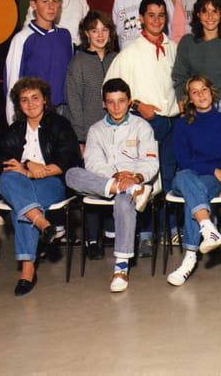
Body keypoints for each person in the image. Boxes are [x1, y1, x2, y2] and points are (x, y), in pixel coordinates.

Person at [65, 78, 159, 293]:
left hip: (134, 181)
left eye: (121, 101)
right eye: (111, 102)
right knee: (71, 174)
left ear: (129, 102)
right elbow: (93, 163)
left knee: (124, 201)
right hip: (105, 183)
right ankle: (126, 189)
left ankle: (121, 268)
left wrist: (136, 178)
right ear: (103, 104)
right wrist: (115, 177)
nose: (116, 107)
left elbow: (150, 162)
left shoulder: (142, 127)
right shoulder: (96, 130)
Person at [105, 0, 180, 256]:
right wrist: (137, 105)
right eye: (151, 15)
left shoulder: (173, 48)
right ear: (141, 19)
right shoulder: (129, 54)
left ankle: (171, 230)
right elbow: (110, 89)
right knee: (146, 178)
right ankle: (146, 234)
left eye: (161, 15)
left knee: (170, 176)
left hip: (173, 121)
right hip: (147, 123)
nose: (156, 20)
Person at [0, 77, 80, 296]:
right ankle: (43, 224)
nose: (30, 104)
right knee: (6, 180)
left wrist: (34, 170)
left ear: (45, 100)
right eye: (24, 100)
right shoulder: (15, 130)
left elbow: (68, 160)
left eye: (35, 98)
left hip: (52, 182)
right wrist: (27, 166)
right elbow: (6, 164)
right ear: (19, 104)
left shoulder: (59, 124)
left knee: (22, 207)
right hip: (20, 183)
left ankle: (27, 271)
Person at [167, 76, 221, 286]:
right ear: (189, 98)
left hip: (214, 180)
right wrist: (213, 169)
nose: (200, 95)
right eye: (195, 92)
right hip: (189, 176)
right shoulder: (182, 125)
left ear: (212, 92)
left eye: (204, 90)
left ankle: (189, 258)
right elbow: (183, 161)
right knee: (185, 178)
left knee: (194, 195)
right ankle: (208, 227)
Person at [64, 10, 119, 259]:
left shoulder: (117, 58)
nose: (100, 35)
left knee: (113, 177)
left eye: (104, 30)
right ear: (86, 33)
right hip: (88, 134)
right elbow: (73, 103)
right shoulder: (78, 63)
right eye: (94, 30)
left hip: (114, 132)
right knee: (93, 185)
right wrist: (80, 139)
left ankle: (112, 232)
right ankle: (92, 238)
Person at [4, 0, 73, 124]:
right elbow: (12, 84)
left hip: (63, 112)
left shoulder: (65, 36)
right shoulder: (22, 39)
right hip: (35, 113)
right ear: (34, 4)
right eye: (45, 1)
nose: (51, 7)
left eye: (55, 1)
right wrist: (14, 124)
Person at [172, 0, 221, 120]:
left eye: (214, 11)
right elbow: (179, 79)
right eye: (205, 11)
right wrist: (183, 114)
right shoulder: (187, 42)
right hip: (195, 106)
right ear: (198, 15)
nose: (210, 16)